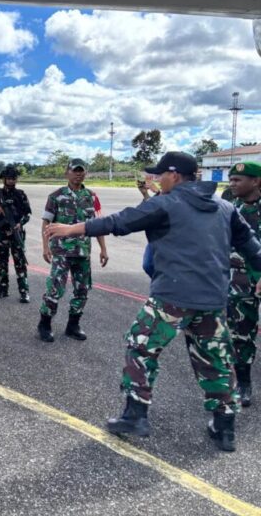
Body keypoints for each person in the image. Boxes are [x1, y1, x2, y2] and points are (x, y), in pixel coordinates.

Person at [46, 152, 261, 452]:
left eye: (160, 174)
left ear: (174, 175)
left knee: (140, 346)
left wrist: (72, 229)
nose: (157, 179)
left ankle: (135, 415)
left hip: (172, 298)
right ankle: (225, 428)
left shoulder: (167, 203)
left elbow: (120, 221)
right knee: (217, 362)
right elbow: (253, 247)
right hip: (213, 300)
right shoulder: (225, 207)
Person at [38, 159, 108, 342]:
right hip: (61, 252)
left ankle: (73, 325)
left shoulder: (91, 197)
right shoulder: (56, 196)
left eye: (81, 171)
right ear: (67, 173)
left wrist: (103, 249)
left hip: (83, 252)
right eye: (75, 170)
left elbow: (98, 225)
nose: (78, 174)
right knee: (55, 289)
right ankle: (44, 324)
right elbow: (46, 222)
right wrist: (45, 246)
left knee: (82, 290)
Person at [227, 161, 261, 407]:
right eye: (231, 179)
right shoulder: (230, 208)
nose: (232, 184)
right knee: (241, 334)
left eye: (238, 180)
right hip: (238, 281)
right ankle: (244, 383)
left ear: (256, 181)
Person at [0, 165, 31, 302]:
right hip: (1, 233)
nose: (11, 181)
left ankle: (24, 291)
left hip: (16, 232)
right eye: (9, 178)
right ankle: (3, 289)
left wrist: (20, 224)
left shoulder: (21, 194)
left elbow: (27, 213)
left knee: (20, 263)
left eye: (14, 178)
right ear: (4, 179)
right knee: (2, 262)